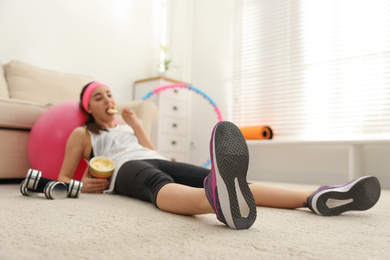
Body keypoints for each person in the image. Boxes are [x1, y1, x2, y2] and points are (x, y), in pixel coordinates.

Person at [57, 81, 381, 230]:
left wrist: (136, 124)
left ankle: (315, 196)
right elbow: (62, 175)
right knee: (156, 182)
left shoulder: (128, 125)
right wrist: (81, 186)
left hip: (147, 154)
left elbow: (151, 151)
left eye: (108, 93)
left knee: (227, 180)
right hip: (123, 168)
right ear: (88, 107)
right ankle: (216, 200)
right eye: (98, 98)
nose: (107, 99)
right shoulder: (83, 134)